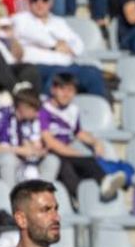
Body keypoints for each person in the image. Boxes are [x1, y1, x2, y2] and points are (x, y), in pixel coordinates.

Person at [38, 72, 126, 203]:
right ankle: (102, 182)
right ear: (53, 89)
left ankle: (84, 200)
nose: (66, 94)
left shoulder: (73, 109)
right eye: (62, 89)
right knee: (80, 162)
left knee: (71, 165)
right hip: (48, 152)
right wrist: (76, 154)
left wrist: (95, 142)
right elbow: (49, 141)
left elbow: (78, 132)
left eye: (71, 90)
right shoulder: (43, 110)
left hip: (66, 151)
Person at [12, 0, 111, 97]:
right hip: (40, 66)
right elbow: (31, 34)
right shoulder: (21, 19)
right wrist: (54, 45)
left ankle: (97, 110)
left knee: (93, 72)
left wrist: (70, 48)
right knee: (57, 79)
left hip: (67, 65)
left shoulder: (58, 22)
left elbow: (78, 44)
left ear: (50, 2)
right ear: (30, 2)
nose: (40, 4)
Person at [0, 86, 45, 185]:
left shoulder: (30, 121)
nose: (37, 114)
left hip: (21, 160)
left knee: (51, 160)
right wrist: (19, 150)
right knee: (9, 159)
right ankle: (9, 196)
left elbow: (35, 145)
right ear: (23, 106)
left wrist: (36, 150)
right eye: (35, 110)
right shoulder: (1, 115)